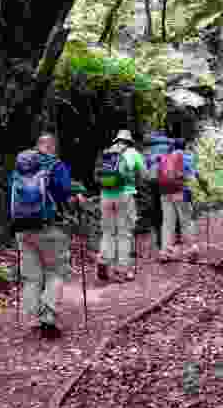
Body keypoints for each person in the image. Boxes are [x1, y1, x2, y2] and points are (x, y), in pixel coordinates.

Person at [8, 134, 84, 339]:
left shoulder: (20, 168)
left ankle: (32, 317)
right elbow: (65, 192)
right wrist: (76, 197)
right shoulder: (55, 165)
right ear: (51, 146)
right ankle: (47, 318)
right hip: (50, 228)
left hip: (22, 229)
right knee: (55, 272)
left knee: (31, 276)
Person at [95, 129, 147, 281]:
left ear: (116, 140)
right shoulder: (133, 153)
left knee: (108, 232)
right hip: (124, 195)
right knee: (124, 233)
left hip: (105, 195)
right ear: (129, 141)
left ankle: (104, 259)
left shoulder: (107, 152)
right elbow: (144, 174)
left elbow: (98, 174)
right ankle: (121, 270)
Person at [158, 138, 199, 261]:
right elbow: (194, 175)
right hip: (180, 192)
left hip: (165, 193)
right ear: (184, 147)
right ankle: (191, 250)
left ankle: (165, 252)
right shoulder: (186, 157)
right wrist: (204, 187)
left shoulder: (166, 157)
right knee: (185, 221)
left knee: (167, 223)